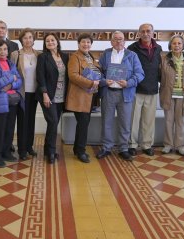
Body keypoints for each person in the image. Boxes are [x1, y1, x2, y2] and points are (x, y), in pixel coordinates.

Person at [96, 31, 144, 161]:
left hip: (125, 94)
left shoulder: (132, 55)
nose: (118, 41)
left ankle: (123, 148)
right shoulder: (105, 54)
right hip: (108, 93)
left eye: (121, 39)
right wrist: (104, 81)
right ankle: (106, 147)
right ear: (111, 41)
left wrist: (129, 83)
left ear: (124, 41)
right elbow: (98, 72)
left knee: (125, 122)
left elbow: (140, 74)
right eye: (116, 39)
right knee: (106, 122)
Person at [159, 36, 184, 157]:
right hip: (168, 94)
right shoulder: (164, 60)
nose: (176, 46)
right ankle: (168, 145)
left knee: (180, 121)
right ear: (170, 45)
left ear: (183, 45)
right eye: (174, 43)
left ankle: (180, 146)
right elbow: (158, 75)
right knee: (168, 121)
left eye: (179, 43)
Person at [0, 39, 23, 167]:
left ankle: (6, 152)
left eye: (5, 49)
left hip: (12, 100)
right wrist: (11, 77)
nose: (3, 52)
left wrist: (11, 85)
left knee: (9, 129)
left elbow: (19, 81)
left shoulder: (10, 63)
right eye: (0, 49)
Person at [128, 23, 162, 157]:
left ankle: (147, 145)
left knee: (149, 120)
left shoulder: (158, 48)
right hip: (136, 89)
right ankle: (132, 145)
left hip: (152, 89)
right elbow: (128, 68)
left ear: (153, 33)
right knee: (133, 120)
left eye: (148, 31)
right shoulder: (132, 48)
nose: (145, 33)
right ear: (139, 33)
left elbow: (159, 68)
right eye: (143, 31)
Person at [67, 34, 101, 163]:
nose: (86, 44)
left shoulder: (91, 57)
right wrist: (91, 83)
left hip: (91, 96)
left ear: (91, 44)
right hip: (80, 96)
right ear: (78, 43)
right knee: (83, 124)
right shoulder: (75, 57)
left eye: (88, 42)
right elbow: (73, 76)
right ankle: (81, 151)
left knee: (84, 123)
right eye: (83, 42)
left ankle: (77, 149)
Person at [36, 32, 68, 164]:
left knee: (53, 123)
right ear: (45, 44)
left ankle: (48, 149)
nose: (50, 42)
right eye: (47, 41)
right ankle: (51, 152)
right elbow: (40, 76)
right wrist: (45, 94)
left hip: (61, 95)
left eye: (52, 40)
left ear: (57, 42)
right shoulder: (43, 57)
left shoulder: (65, 56)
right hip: (48, 95)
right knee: (53, 121)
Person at [11, 28, 41, 159]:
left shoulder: (39, 55)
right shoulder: (15, 54)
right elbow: (11, 73)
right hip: (21, 92)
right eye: (25, 38)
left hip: (34, 92)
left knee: (31, 120)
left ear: (33, 39)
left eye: (30, 37)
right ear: (21, 40)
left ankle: (29, 146)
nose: (28, 40)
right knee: (22, 121)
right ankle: (22, 150)